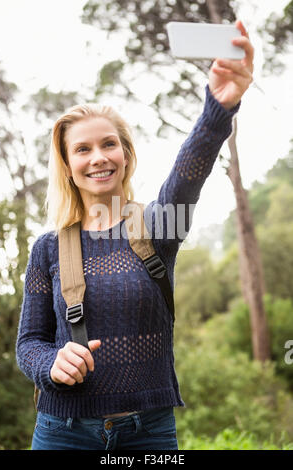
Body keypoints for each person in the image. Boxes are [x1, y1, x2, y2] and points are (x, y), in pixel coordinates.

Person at [16, 20, 254, 450]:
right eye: (82, 149)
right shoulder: (47, 249)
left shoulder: (158, 227)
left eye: (109, 144)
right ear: (68, 166)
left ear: (126, 155)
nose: (98, 158)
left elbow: (188, 174)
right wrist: (52, 363)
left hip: (149, 433)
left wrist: (218, 109)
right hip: (62, 434)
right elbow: (29, 343)